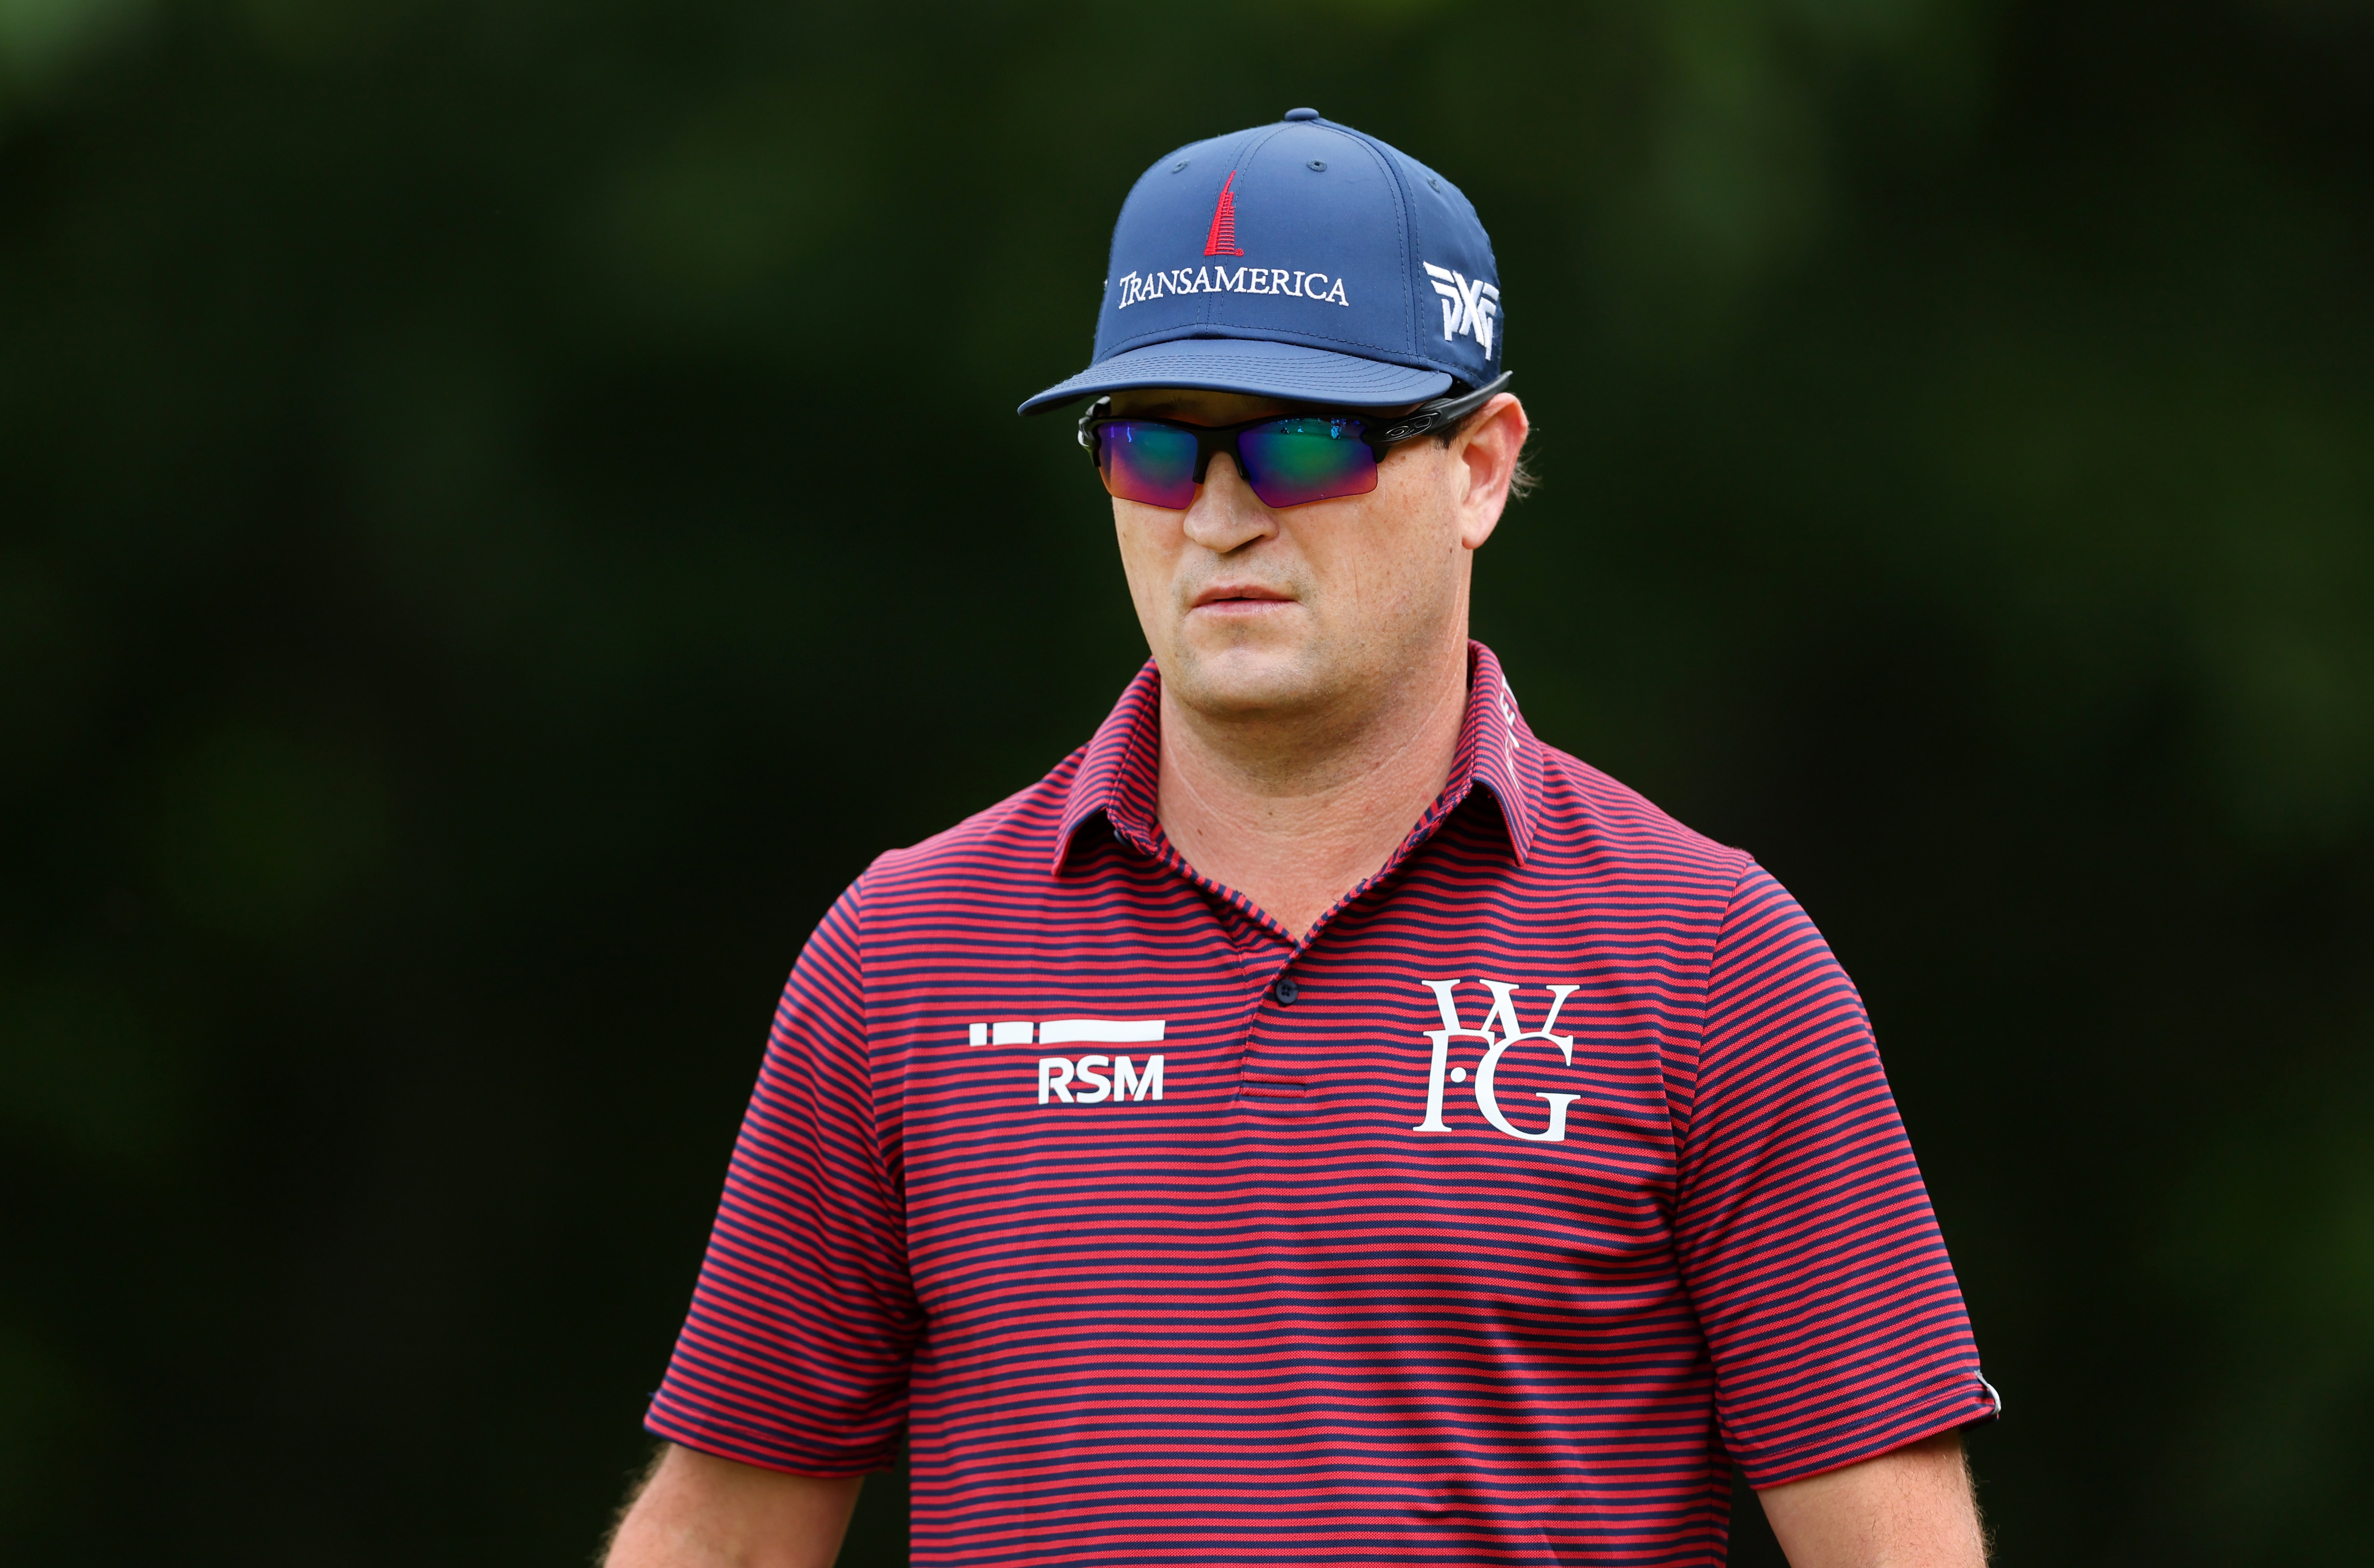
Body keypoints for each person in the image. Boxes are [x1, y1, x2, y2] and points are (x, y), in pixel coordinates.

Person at [604, 109, 1999, 1568]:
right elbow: (727, 1536)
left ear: (1477, 466)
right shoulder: (906, 957)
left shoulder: (1710, 958)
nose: (1216, 515)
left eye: (1303, 442)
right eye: (1154, 446)